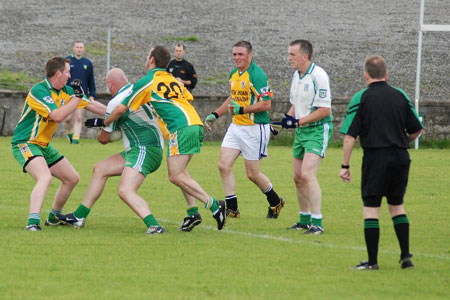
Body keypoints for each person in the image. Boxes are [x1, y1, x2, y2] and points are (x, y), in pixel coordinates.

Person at [104, 46, 226, 231]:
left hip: (181, 128)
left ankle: (214, 206)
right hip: (194, 123)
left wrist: (105, 121)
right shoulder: (173, 80)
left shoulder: (147, 81)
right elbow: (189, 97)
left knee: (175, 175)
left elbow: (122, 108)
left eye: (147, 56)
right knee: (181, 173)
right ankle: (192, 211)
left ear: (152, 60)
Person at [340, 55, 423, 270]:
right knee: (397, 206)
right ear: (386, 75)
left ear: (366, 75)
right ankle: (406, 257)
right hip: (400, 157)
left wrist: (345, 166)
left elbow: (350, 137)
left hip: (375, 157)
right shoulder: (400, 95)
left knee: (371, 209)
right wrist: (402, 142)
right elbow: (417, 129)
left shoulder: (362, 98)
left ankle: (372, 262)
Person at [60, 68, 166, 234]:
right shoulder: (136, 90)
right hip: (145, 148)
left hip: (144, 149)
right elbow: (120, 116)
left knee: (125, 190)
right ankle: (79, 216)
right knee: (101, 168)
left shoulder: (116, 101)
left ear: (110, 83)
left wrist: (102, 127)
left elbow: (104, 139)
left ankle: (155, 226)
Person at [11, 57, 106, 231]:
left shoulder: (68, 91)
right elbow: (57, 116)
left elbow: (92, 105)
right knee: (44, 177)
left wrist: (117, 112)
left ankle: (54, 217)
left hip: (43, 145)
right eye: (68, 72)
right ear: (58, 73)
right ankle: (32, 223)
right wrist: (76, 99)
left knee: (72, 178)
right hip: (25, 143)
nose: (70, 76)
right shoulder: (39, 90)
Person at [204, 40, 284, 219]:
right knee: (223, 165)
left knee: (252, 174)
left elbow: (266, 104)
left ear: (250, 55)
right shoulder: (234, 74)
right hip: (236, 127)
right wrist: (215, 114)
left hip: (255, 129)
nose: (237, 58)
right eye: (234, 54)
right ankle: (232, 209)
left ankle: (275, 201)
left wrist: (242, 110)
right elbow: (232, 98)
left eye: (240, 54)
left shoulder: (257, 75)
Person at [281, 40, 333, 234]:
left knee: (307, 174)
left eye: (292, 55)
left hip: (317, 130)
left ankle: (317, 222)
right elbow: (296, 105)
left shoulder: (318, 76)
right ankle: (304, 219)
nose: (289, 58)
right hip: (302, 131)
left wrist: (297, 122)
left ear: (305, 56)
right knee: (297, 177)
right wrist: (288, 118)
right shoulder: (297, 75)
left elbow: (324, 110)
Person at [65, 41, 96, 144]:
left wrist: (92, 94)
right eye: (77, 47)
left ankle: (75, 140)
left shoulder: (87, 63)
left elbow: (91, 79)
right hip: (68, 94)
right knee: (68, 118)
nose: (79, 49)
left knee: (78, 117)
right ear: (73, 48)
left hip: (81, 95)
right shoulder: (68, 61)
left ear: (84, 49)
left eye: (81, 47)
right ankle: (70, 134)